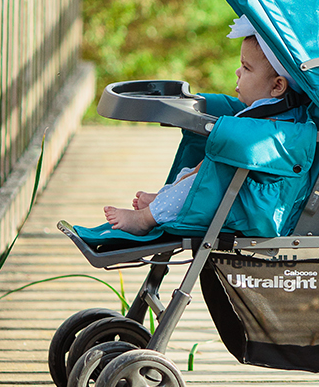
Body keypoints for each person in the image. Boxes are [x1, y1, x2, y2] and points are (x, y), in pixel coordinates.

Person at [104, 28, 299, 234]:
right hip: (234, 188)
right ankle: (164, 199)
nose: (237, 72)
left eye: (246, 67)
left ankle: (145, 218)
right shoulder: (267, 110)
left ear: (277, 86)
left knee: (197, 184)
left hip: (246, 203)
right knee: (192, 174)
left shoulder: (278, 125)